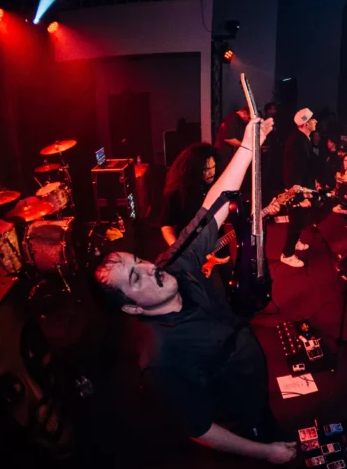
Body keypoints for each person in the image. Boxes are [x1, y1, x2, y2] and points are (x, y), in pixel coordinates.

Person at [93, 117, 297, 465]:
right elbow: (199, 428)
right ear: (132, 308)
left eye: (139, 260)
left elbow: (211, 209)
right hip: (235, 416)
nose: (150, 269)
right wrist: (266, 453)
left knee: (267, 421)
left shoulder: (172, 265)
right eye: (136, 279)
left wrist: (248, 147)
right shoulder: (160, 359)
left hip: (252, 377)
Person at [281, 108, 317, 268]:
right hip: (297, 190)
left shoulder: (302, 138)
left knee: (299, 219)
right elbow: (293, 171)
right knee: (296, 221)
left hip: (301, 187)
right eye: (312, 119)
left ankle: (295, 242)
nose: (315, 121)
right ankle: (287, 254)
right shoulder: (297, 142)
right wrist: (299, 197)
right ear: (306, 124)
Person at [160, 143, 217, 246]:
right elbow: (166, 225)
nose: (212, 172)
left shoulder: (216, 184)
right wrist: (177, 249)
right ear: (194, 169)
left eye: (213, 167)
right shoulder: (177, 191)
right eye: (206, 169)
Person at [214, 106, 250, 171]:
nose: (249, 120)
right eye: (249, 118)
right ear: (245, 113)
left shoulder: (239, 121)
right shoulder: (232, 119)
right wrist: (245, 146)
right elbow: (229, 138)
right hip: (224, 155)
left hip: (228, 155)